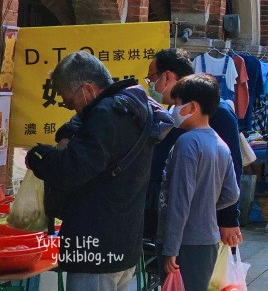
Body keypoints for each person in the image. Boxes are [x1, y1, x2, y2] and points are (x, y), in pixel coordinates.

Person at [27, 52, 173, 291]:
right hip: (123, 242)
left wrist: (41, 157)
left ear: (87, 89)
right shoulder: (135, 106)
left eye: (68, 100)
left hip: (95, 246)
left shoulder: (106, 114)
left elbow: (73, 168)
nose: (70, 107)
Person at [145, 49, 243, 246]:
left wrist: (229, 219)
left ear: (167, 76)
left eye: (151, 78)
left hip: (202, 224)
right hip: (169, 220)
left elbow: (232, 170)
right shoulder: (170, 113)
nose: (150, 85)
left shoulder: (217, 112)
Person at [158, 74, 240, 291]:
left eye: (176, 104)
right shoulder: (220, 144)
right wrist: (206, 207)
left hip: (185, 243)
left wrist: (170, 249)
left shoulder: (187, 143)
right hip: (208, 239)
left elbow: (180, 202)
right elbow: (232, 194)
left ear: (192, 106)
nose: (173, 110)